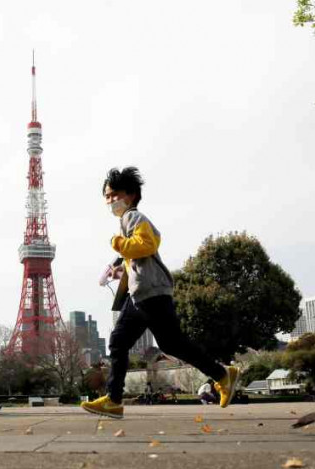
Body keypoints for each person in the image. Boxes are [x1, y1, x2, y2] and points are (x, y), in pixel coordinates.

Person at [81, 167, 239, 419]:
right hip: (140, 294)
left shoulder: (133, 217)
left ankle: (221, 374)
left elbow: (147, 244)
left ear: (131, 195)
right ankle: (113, 400)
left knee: (166, 343)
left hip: (151, 293)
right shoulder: (127, 221)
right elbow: (141, 258)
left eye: (115, 194)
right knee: (124, 342)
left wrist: (118, 244)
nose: (110, 201)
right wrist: (121, 269)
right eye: (107, 197)